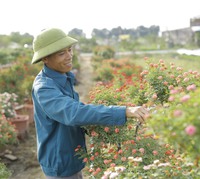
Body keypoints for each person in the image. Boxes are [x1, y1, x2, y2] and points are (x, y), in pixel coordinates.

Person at [31, 28, 149, 179]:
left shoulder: (63, 76)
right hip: (60, 162)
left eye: (69, 50)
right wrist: (123, 111)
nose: (69, 56)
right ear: (45, 59)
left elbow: (74, 109)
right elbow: (73, 112)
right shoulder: (44, 87)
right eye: (62, 53)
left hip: (72, 156)